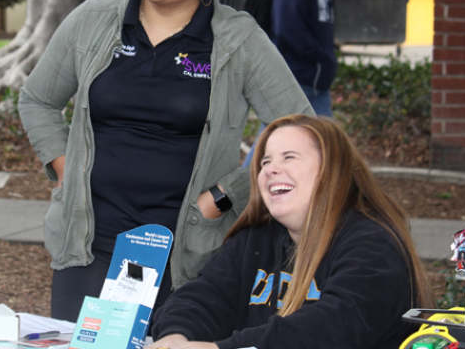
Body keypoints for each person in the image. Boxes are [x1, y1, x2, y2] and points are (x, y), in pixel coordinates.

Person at [18, 0, 313, 322]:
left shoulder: (238, 40)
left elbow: (301, 131)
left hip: (189, 255)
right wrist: (66, 168)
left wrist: (225, 196)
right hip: (88, 246)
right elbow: (38, 99)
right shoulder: (92, 20)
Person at [149, 114, 432, 349]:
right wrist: (175, 336)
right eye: (265, 162)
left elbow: (329, 332)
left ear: (331, 170)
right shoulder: (254, 240)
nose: (271, 169)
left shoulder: (374, 247)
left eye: (289, 157)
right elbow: (202, 298)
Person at [241, 0, 348, 169]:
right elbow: (288, 30)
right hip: (291, 83)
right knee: (267, 150)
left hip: (315, 87)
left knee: (327, 150)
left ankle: (320, 204)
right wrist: (323, 57)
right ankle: (237, 202)